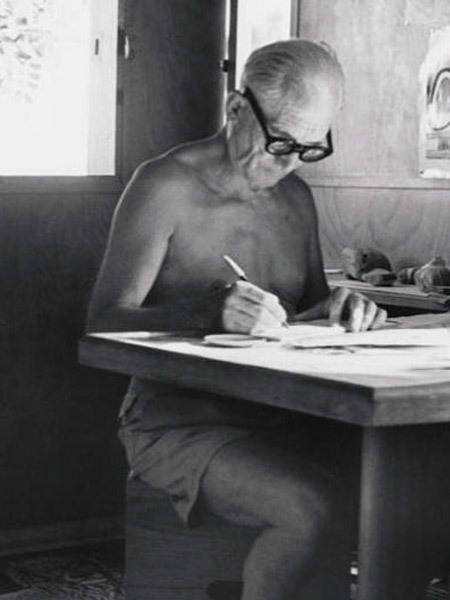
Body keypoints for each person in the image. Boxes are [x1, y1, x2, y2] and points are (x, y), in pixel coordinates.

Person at [87, 39, 386, 600]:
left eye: (310, 148)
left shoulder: (296, 199)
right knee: (312, 510)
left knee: (404, 490)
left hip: (286, 412)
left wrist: (341, 309)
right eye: (280, 142)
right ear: (235, 109)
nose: (289, 162)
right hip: (178, 421)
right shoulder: (165, 186)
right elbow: (101, 324)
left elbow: (303, 318)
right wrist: (203, 313)